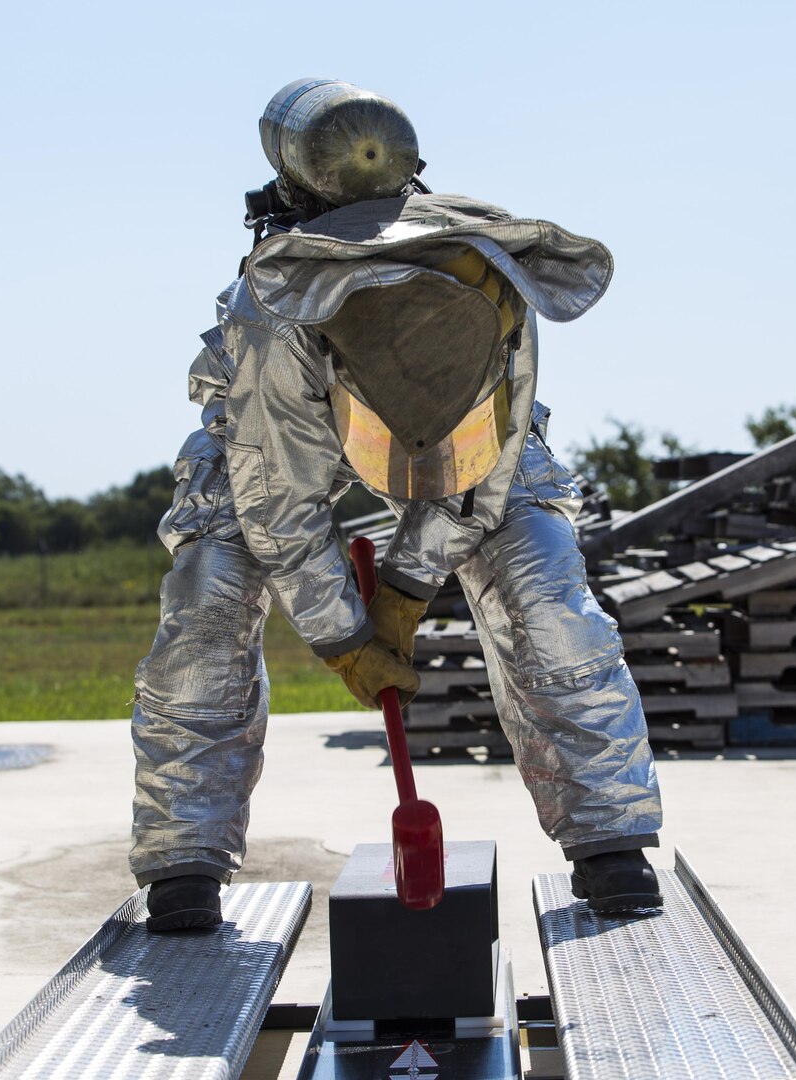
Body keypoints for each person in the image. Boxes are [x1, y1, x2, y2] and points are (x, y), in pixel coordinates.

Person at [132, 79, 663, 932]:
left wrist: (407, 589)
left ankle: (611, 843)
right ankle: (184, 859)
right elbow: (282, 503)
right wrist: (347, 637)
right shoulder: (280, 310)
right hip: (273, 442)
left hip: (463, 440)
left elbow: (485, 473)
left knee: (548, 589)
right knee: (206, 594)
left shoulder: (494, 282)